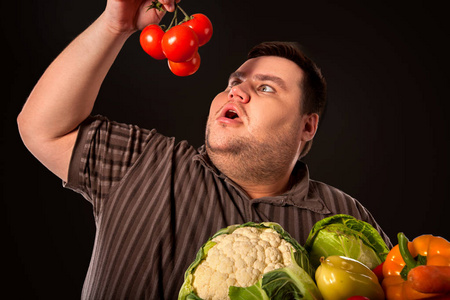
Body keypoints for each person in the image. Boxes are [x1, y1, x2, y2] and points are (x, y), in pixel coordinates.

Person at [17, 0, 391, 299]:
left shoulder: (345, 216)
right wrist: (114, 25)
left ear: (307, 127)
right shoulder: (147, 161)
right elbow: (42, 129)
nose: (236, 91)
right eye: (234, 81)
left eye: (265, 88)